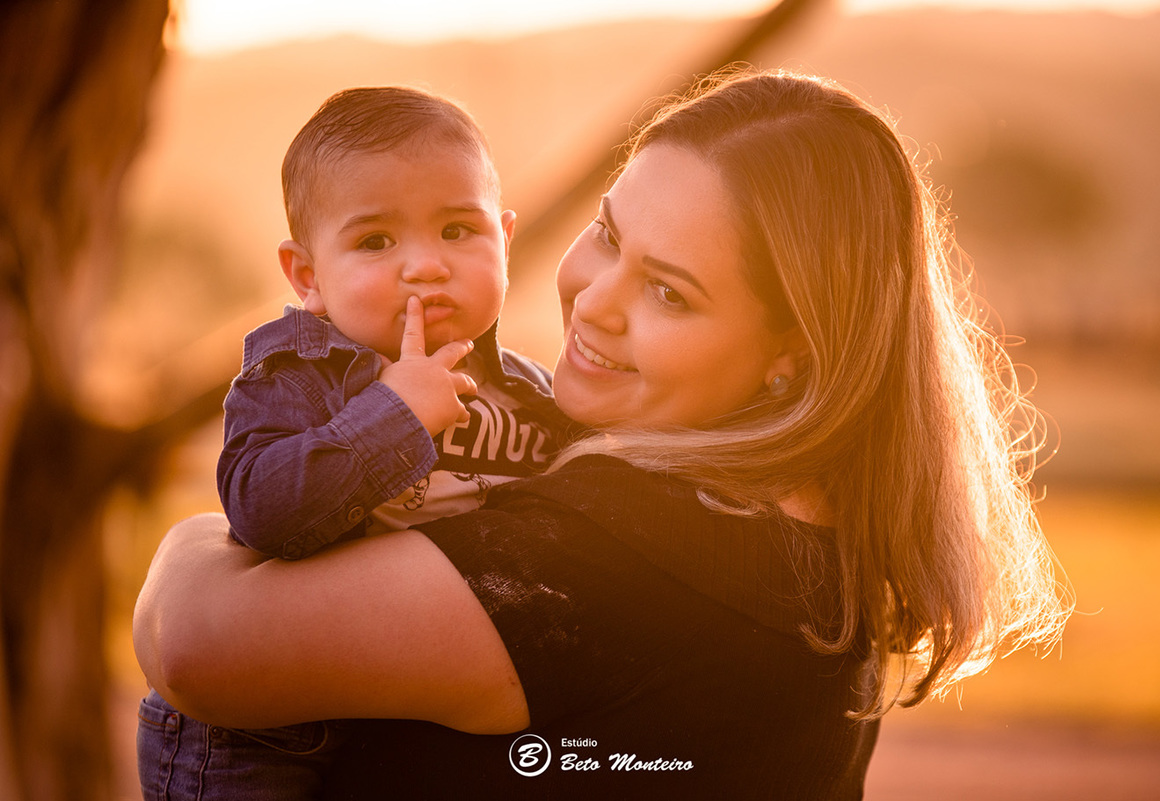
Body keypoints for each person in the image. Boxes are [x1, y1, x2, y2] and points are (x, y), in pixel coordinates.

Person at [133, 67, 1071, 799]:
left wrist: (191, 540)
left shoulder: (631, 552)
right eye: (609, 234)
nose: (593, 300)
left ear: (794, 355)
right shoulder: (803, 539)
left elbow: (196, 645)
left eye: (670, 291)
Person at [135, 86, 571, 799]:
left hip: (404, 708)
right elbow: (262, 512)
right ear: (308, 276)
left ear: (505, 238)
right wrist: (394, 412)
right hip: (265, 731)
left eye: (459, 230)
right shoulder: (297, 373)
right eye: (376, 241)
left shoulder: (530, 394)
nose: (426, 266)